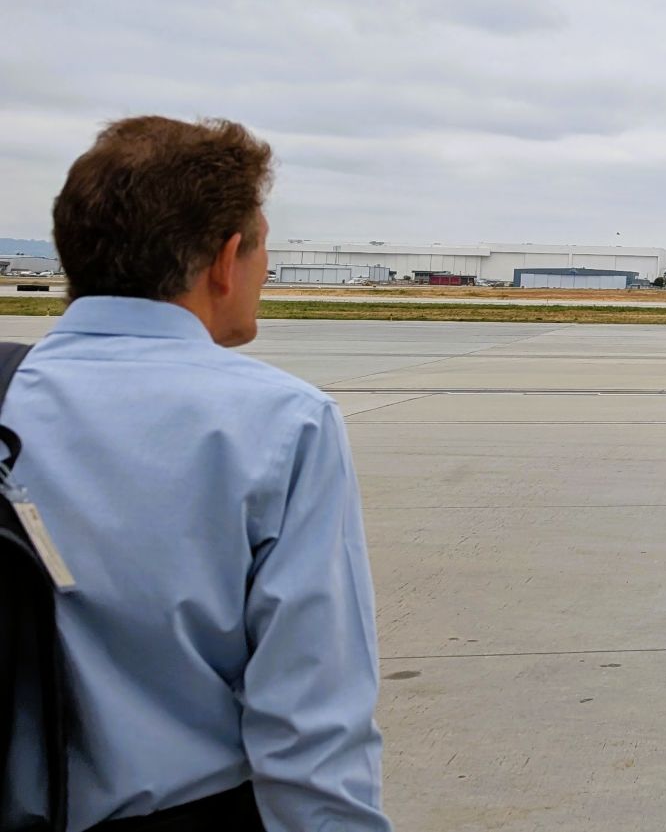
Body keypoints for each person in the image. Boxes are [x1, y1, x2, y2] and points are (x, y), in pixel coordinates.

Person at [1, 118, 387, 830]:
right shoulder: (283, 423)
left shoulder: (8, 391)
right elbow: (311, 733)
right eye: (262, 246)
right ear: (226, 257)